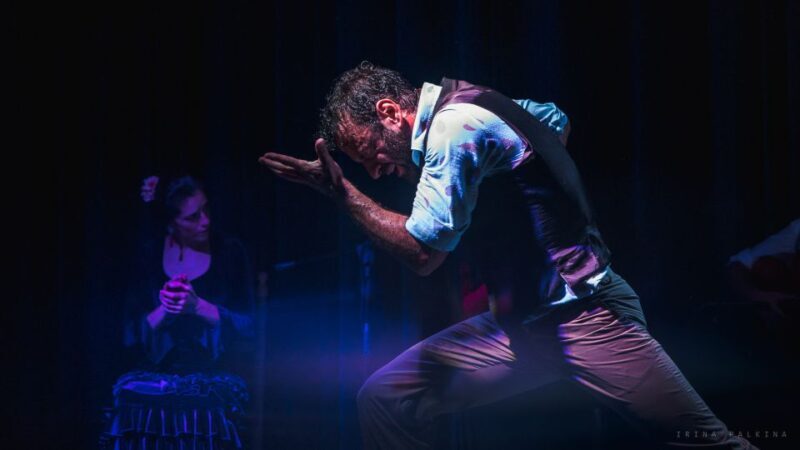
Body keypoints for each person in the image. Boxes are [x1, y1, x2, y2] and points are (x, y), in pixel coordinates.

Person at [259, 61, 757, 449]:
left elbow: (422, 254)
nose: (373, 168)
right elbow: (553, 120)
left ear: (391, 113)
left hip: (587, 320)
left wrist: (343, 193)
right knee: (387, 398)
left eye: (369, 150)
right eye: (361, 165)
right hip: (519, 330)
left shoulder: (452, 129)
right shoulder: (475, 103)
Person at [101, 175, 256, 450]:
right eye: (193, 217)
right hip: (155, 371)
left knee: (205, 406)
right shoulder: (149, 256)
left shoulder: (230, 252)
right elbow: (129, 334)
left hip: (215, 370)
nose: (205, 221)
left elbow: (250, 325)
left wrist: (198, 307)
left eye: (206, 210)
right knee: (133, 398)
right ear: (171, 224)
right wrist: (167, 309)